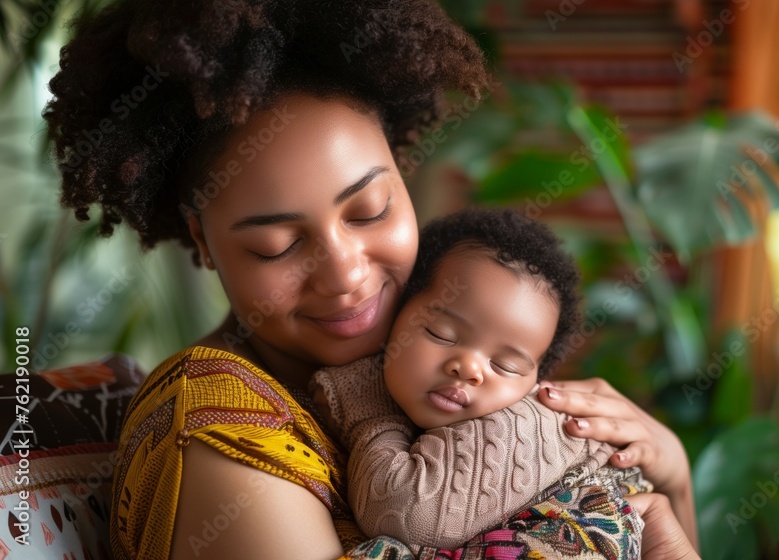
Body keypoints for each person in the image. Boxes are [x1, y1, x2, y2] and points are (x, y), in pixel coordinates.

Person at [41, 0, 699, 558]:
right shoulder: (219, 437)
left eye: (371, 210)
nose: (347, 274)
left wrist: (672, 474)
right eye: (278, 243)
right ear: (202, 241)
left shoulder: (433, 374)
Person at [312, 208, 652, 554]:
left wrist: (368, 408)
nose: (469, 368)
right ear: (394, 316)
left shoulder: (522, 424)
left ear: (535, 381)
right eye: (440, 334)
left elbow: (400, 514)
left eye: (505, 365)